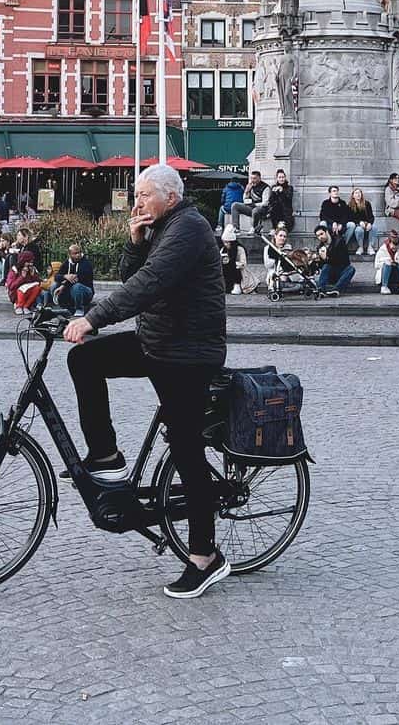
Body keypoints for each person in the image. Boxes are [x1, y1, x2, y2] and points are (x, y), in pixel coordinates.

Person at [63, 163, 230, 600]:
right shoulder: (161, 228)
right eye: (135, 194)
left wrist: (93, 318)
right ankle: (106, 453)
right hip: (157, 343)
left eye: (143, 194)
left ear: (170, 197)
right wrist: (134, 243)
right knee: (84, 361)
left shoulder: (188, 228)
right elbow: (133, 276)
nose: (135, 202)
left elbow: (151, 285)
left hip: (189, 354)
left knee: (186, 449)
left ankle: (205, 557)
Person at [48, 243, 95, 316]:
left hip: (86, 291)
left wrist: (63, 286)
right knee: (54, 285)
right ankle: (64, 306)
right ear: (70, 254)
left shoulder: (86, 263)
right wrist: (65, 276)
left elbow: (78, 278)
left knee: (77, 286)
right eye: (75, 253)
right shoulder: (67, 263)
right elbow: (56, 277)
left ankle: (80, 308)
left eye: (79, 252)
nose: (78, 255)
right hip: (70, 290)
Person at [312, 223, 356, 295]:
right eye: (318, 236)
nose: (320, 237)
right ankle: (320, 290)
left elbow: (344, 261)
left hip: (341, 272)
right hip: (330, 275)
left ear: (326, 232)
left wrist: (327, 258)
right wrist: (318, 260)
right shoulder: (320, 247)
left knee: (351, 269)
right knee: (326, 266)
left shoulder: (339, 242)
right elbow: (323, 268)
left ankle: (336, 290)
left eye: (321, 234)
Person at [230, 170, 270, 235]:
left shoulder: (265, 187)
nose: (252, 180)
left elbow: (265, 203)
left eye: (254, 178)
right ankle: (236, 228)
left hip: (262, 209)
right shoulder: (250, 185)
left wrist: (254, 204)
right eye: (251, 178)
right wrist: (246, 191)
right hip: (251, 207)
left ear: (259, 178)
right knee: (235, 205)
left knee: (255, 210)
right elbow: (244, 200)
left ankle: (254, 228)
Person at [375, 229, 399, 294]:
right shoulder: (382, 249)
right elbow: (376, 265)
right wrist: (387, 262)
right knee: (387, 263)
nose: (394, 249)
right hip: (386, 272)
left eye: (396, 247)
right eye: (393, 247)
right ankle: (384, 287)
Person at [218, 225, 248, 295]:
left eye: (227, 242)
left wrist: (235, 263)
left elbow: (243, 263)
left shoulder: (239, 249)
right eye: (224, 242)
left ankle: (237, 285)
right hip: (226, 269)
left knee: (234, 268)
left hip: (237, 269)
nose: (226, 244)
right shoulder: (223, 249)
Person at [347, 187, 376, 255]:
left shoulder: (367, 204)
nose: (358, 194)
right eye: (356, 193)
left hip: (367, 223)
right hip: (357, 225)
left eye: (359, 193)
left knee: (374, 227)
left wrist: (369, 223)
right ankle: (360, 247)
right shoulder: (350, 205)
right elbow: (350, 218)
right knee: (359, 230)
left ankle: (370, 247)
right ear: (353, 195)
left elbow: (371, 216)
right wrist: (359, 222)